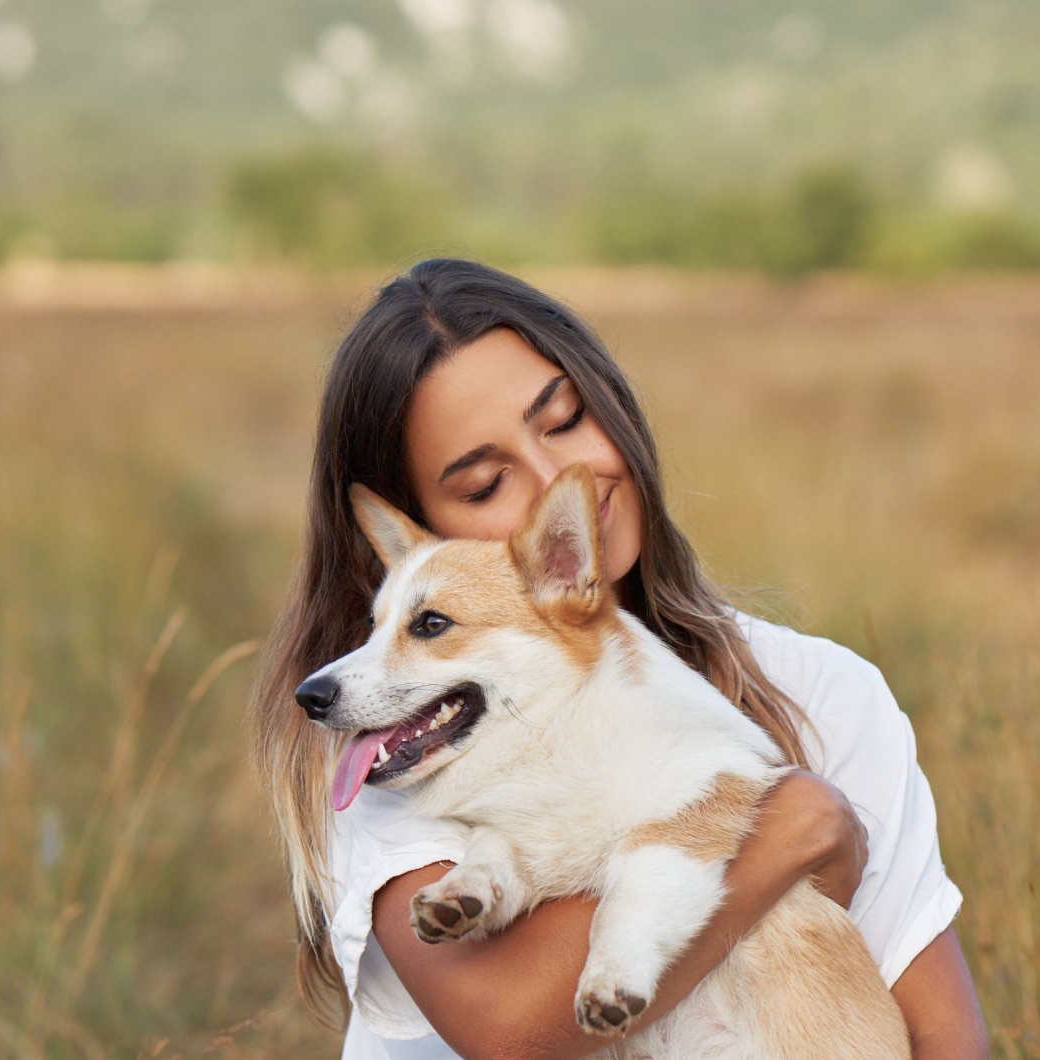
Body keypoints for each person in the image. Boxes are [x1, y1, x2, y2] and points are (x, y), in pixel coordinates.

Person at [247, 258, 988, 1059]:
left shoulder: (827, 692)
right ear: (420, 541)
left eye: (564, 420)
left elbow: (945, 1039)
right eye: (487, 482)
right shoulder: (411, 738)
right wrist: (792, 831)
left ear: (612, 401)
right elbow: (507, 1025)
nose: (557, 480)